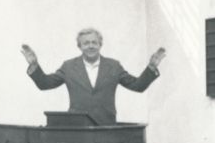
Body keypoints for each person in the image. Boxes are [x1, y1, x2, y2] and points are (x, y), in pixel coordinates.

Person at [21, 28, 166, 125]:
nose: (90, 46)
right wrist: (34, 65)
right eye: (86, 43)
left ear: (100, 45)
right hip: (78, 128)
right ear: (79, 46)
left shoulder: (114, 66)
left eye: (94, 42)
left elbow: (138, 86)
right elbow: (45, 84)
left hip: (106, 127)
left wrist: (151, 67)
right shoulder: (69, 66)